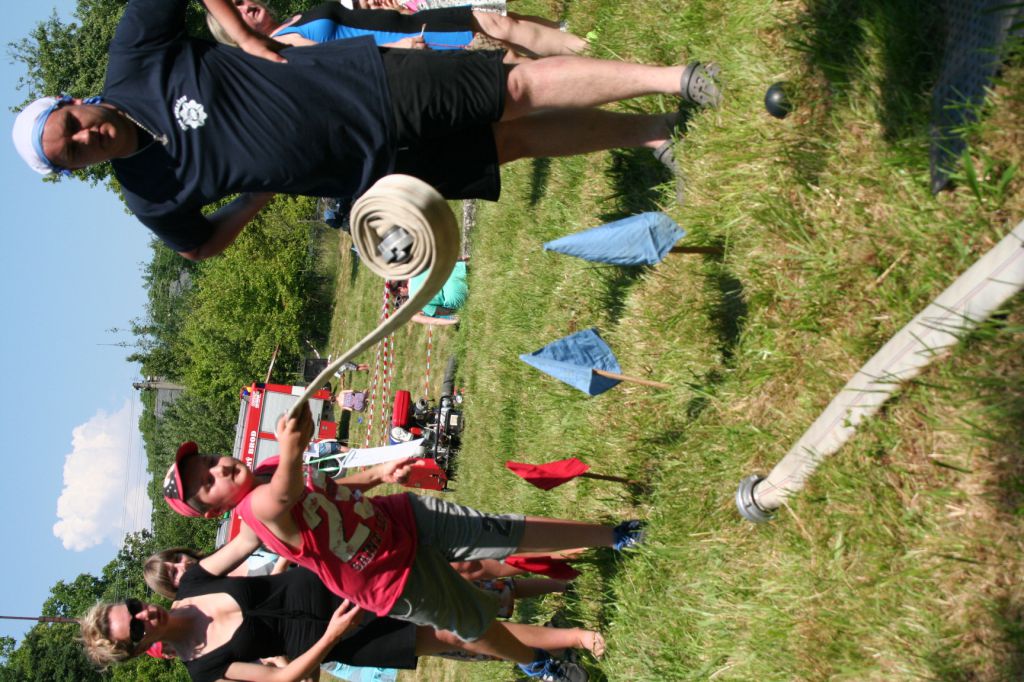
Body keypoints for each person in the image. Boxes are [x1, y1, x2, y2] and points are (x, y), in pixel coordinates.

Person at [12, 0, 721, 261]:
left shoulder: (134, 59)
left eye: (72, 125)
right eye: (71, 154)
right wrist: (252, 201)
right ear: (76, 171)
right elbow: (198, 246)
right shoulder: (148, 194)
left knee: (512, 88)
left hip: (365, 85)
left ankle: (677, 80)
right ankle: (651, 130)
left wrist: (239, 34)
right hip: (370, 177)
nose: (85, 139)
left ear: (75, 101)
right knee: (510, 142)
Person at [160, 404, 643, 675]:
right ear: (216, 510)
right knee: (473, 622)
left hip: (397, 518)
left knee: (501, 530)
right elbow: (285, 493)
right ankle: (537, 664)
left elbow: (325, 487)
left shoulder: (268, 469)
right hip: (386, 577)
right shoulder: (255, 510)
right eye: (207, 482)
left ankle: (616, 536)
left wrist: (377, 474)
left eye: (211, 462)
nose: (218, 469)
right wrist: (292, 448)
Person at [208, 0, 587, 60]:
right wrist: (398, 49)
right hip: (408, 43)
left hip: (407, 22)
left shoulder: (294, 19)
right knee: (507, 62)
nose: (246, 6)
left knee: (498, 22)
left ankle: (584, 46)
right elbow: (338, 62)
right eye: (236, 10)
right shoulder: (281, 45)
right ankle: (586, 76)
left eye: (242, 0)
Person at [405, 258, 467, 326]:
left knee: (431, 312)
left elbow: (441, 311)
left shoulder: (414, 300)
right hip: (458, 270)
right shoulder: (416, 267)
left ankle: (454, 320)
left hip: (457, 295)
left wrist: (454, 313)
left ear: (400, 289)